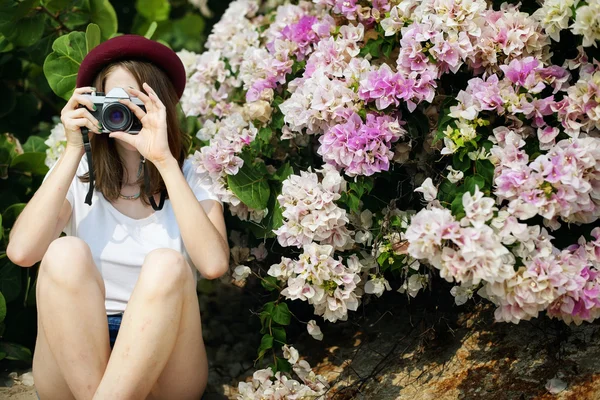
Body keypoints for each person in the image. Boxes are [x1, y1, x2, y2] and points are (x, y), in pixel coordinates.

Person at [6, 34, 229, 400]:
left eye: (134, 99)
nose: (122, 112)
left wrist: (163, 161)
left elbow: (213, 264)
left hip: (164, 350)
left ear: (160, 102)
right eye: (113, 100)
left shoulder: (189, 174)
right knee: (64, 253)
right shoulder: (77, 174)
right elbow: (23, 252)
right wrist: (74, 149)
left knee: (167, 265)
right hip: (77, 345)